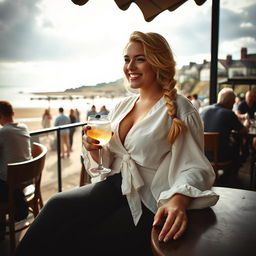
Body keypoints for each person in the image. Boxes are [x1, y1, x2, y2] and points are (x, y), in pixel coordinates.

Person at [15, 31, 218, 256]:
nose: (130, 66)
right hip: (114, 186)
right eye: (127, 59)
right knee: (55, 208)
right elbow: (110, 157)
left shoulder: (181, 110)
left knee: (87, 241)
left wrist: (178, 200)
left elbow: (195, 167)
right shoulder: (123, 106)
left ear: (159, 62)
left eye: (140, 59)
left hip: (150, 199)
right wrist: (93, 149)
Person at [0, 101, 31, 238]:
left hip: (10, 184)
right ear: (13, 113)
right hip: (28, 179)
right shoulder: (24, 127)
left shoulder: (3, 132)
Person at [200, 88, 249, 176]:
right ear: (230, 102)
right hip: (220, 157)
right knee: (237, 141)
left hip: (202, 155)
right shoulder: (229, 113)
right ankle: (233, 174)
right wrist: (246, 123)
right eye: (233, 102)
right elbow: (243, 131)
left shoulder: (204, 110)